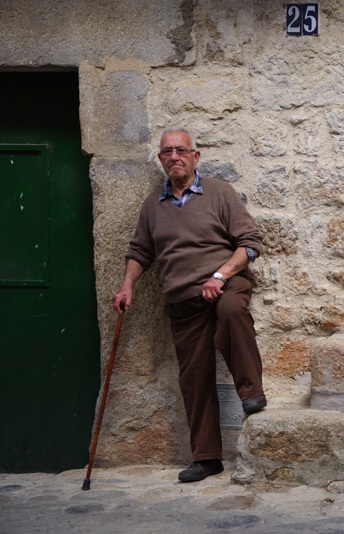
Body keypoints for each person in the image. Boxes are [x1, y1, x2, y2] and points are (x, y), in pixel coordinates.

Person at [112, 127, 266, 483]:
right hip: (182, 299)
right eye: (167, 152)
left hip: (224, 284)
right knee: (194, 377)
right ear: (160, 159)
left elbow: (250, 244)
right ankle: (207, 458)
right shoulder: (152, 205)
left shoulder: (220, 193)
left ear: (195, 157)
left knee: (231, 311)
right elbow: (140, 251)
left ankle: (251, 391)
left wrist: (220, 276)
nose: (174, 157)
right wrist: (127, 285)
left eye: (181, 150)